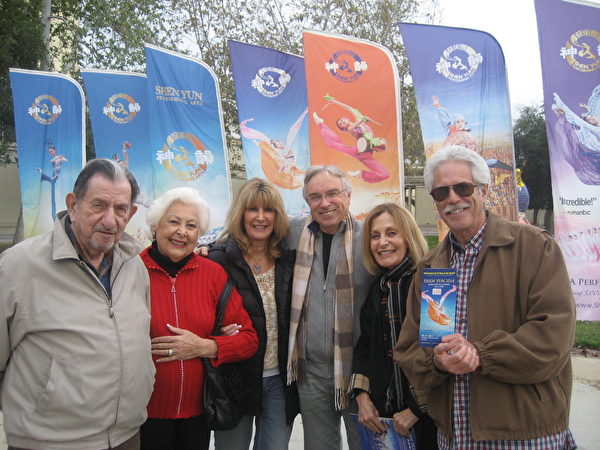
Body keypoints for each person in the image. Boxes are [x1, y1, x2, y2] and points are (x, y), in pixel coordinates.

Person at [395, 145, 577, 449]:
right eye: (441, 192)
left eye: (463, 187)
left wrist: (480, 354)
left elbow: (552, 336)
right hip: (454, 436)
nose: (453, 198)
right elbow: (414, 346)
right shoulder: (433, 266)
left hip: (524, 434)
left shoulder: (534, 248)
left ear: (484, 190)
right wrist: (437, 361)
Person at [0, 158, 153, 449]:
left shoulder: (134, 265)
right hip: (51, 442)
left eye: (120, 209)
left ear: (132, 213)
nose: (110, 220)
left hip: (126, 436)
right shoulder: (18, 267)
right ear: (73, 205)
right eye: (99, 206)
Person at [139, 187, 258, 450]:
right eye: (174, 222)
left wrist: (205, 346)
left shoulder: (213, 274)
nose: (182, 231)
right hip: (141, 415)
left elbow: (249, 340)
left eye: (191, 225)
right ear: (155, 226)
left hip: (198, 415)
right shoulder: (132, 270)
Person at [286, 165, 375, 450]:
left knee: (365, 445)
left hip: (359, 374)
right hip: (311, 373)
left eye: (332, 193)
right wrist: (209, 249)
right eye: (315, 197)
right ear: (307, 201)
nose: (324, 203)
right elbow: (249, 239)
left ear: (348, 195)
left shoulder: (370, 237)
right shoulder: (293, 232)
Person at [208, 178, 299, 449]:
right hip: (235, 380)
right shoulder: (218, 259)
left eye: (268, 210)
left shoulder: (289, 259)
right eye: (252, 209)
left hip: (278, 381)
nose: (261, 217)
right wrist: (215, 331)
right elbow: (202, 314)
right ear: (241, 214)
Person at [350, 202, 438, 449]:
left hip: (430, 420)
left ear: (408, 237)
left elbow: (443, 352)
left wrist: (416, 409)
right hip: (385, 422)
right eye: (375, 236)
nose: (382, 243)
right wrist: (362, 397)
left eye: (391, 233)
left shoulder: (434, 281)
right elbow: (364, 347)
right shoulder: (378, 288)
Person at [313, 96, 389, 183]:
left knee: (385, 174)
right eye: (341, 124)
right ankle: (321, 123)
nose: (342, 122)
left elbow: (348, 108)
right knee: (333, 143)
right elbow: (353, 126)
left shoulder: (358, 118)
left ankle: (361, 174)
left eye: (342, 120)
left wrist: (335, 101)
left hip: (367, 154)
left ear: (346, 118)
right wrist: (362, 120)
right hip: (359, 151)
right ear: (344, 128)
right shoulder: (351, 130)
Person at [36, 140, 69, 219]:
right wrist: (58, 157)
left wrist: (61, 158)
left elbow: (66, 160)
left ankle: (42, 175)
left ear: (54, 150)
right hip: (53, 177)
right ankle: (53, 215)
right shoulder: (53, 160)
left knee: (53, 195)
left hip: (54, 178)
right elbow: (52, 161)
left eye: (51, 151)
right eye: (50, 152)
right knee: (52, 196)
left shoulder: (58, 159)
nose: (51, 153)